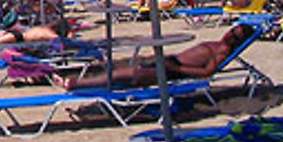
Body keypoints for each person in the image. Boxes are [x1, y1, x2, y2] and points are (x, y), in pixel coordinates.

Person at [63, 23, 256, 90]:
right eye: (232, 30)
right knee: (124, 66)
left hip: (172, 71)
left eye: (235, 35)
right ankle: (80, 78)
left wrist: (175, 69)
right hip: (169, 63)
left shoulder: (222, 52)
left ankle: (77, 84)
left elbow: (207, 72)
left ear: (238, 41)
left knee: (129, 74)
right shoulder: (219, 43)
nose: (229, 34)